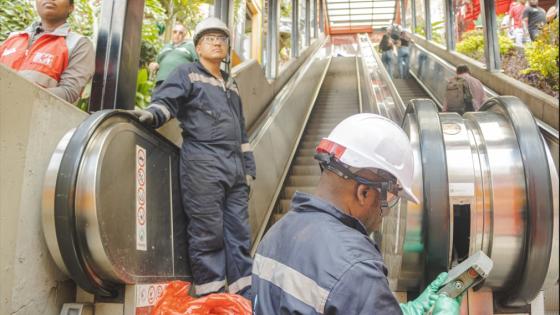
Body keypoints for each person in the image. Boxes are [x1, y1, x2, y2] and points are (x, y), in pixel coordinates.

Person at [251, 113, 463, 314]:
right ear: (364, 192)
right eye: (389, 199)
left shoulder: (276, 233)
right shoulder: (357, 268)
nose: (386, 213)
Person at [131, 17, 255, 299]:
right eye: (210, 38)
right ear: (198, 47)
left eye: (222, 38)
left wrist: (248, 171)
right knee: (207, 232)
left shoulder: (231, 85)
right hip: (203, 163)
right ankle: (212, 297)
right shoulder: (187, 73)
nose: (217, 42)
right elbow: (168, 100)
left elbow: (242, 131)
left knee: (239, 234)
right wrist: (152, 115)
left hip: (235, 169)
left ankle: (243, 296)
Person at [0, 0, 95, 104]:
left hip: (36, 117)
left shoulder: (79, 44)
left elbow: (69, 92)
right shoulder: (13, 38)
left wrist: (17, 96)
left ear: (71, 7)